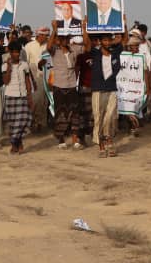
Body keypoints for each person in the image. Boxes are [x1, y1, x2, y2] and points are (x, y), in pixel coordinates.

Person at [82, 16, 128, 157]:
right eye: (105, 40)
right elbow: (86, 43)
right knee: (98, 117)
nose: (107, 42)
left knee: (110, 117)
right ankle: (102, 146)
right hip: (98, 90)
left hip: (111, 89)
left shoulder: (115, 52)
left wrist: (124, 24)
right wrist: (84, 27)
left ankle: (109, 141)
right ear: (101, 42)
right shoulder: (95, 53)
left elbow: (125, 40)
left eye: (109, 40)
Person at [43, 20, 83, 149]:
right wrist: (54, 29)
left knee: (75, 113)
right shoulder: (55, 51)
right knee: (60, 113)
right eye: (62, 38)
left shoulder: (74, 50)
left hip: (71, 85)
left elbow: (87, 47)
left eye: (67, 38)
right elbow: (48, 47)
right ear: (59, 40)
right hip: (59, 86)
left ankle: (75, 139)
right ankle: (61, 139)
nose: (65, 40)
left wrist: (84, 28)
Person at [3, 40, 33, 154]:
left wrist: (30, 96)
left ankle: (14, 141)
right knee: (13, 123)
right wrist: (9, 68)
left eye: (18, 52)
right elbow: (6, 81)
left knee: (23, 119)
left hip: (22, 96)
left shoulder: (24, 65)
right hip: (10, 95)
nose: (16, 54)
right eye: (14, 52)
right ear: (10, 53)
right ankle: (16, 143)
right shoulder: (4, 65)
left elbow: (27, 81)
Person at [24, 26, 50, 132]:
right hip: (33, 76)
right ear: (39, 35)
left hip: (46, 76)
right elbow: (25, 63)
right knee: (35, 100)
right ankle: (32, 122)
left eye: (47, 35)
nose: (46, 37)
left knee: (44, 101)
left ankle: (41, 123)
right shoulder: (29, 46)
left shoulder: (48, 46)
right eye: (44, 35)